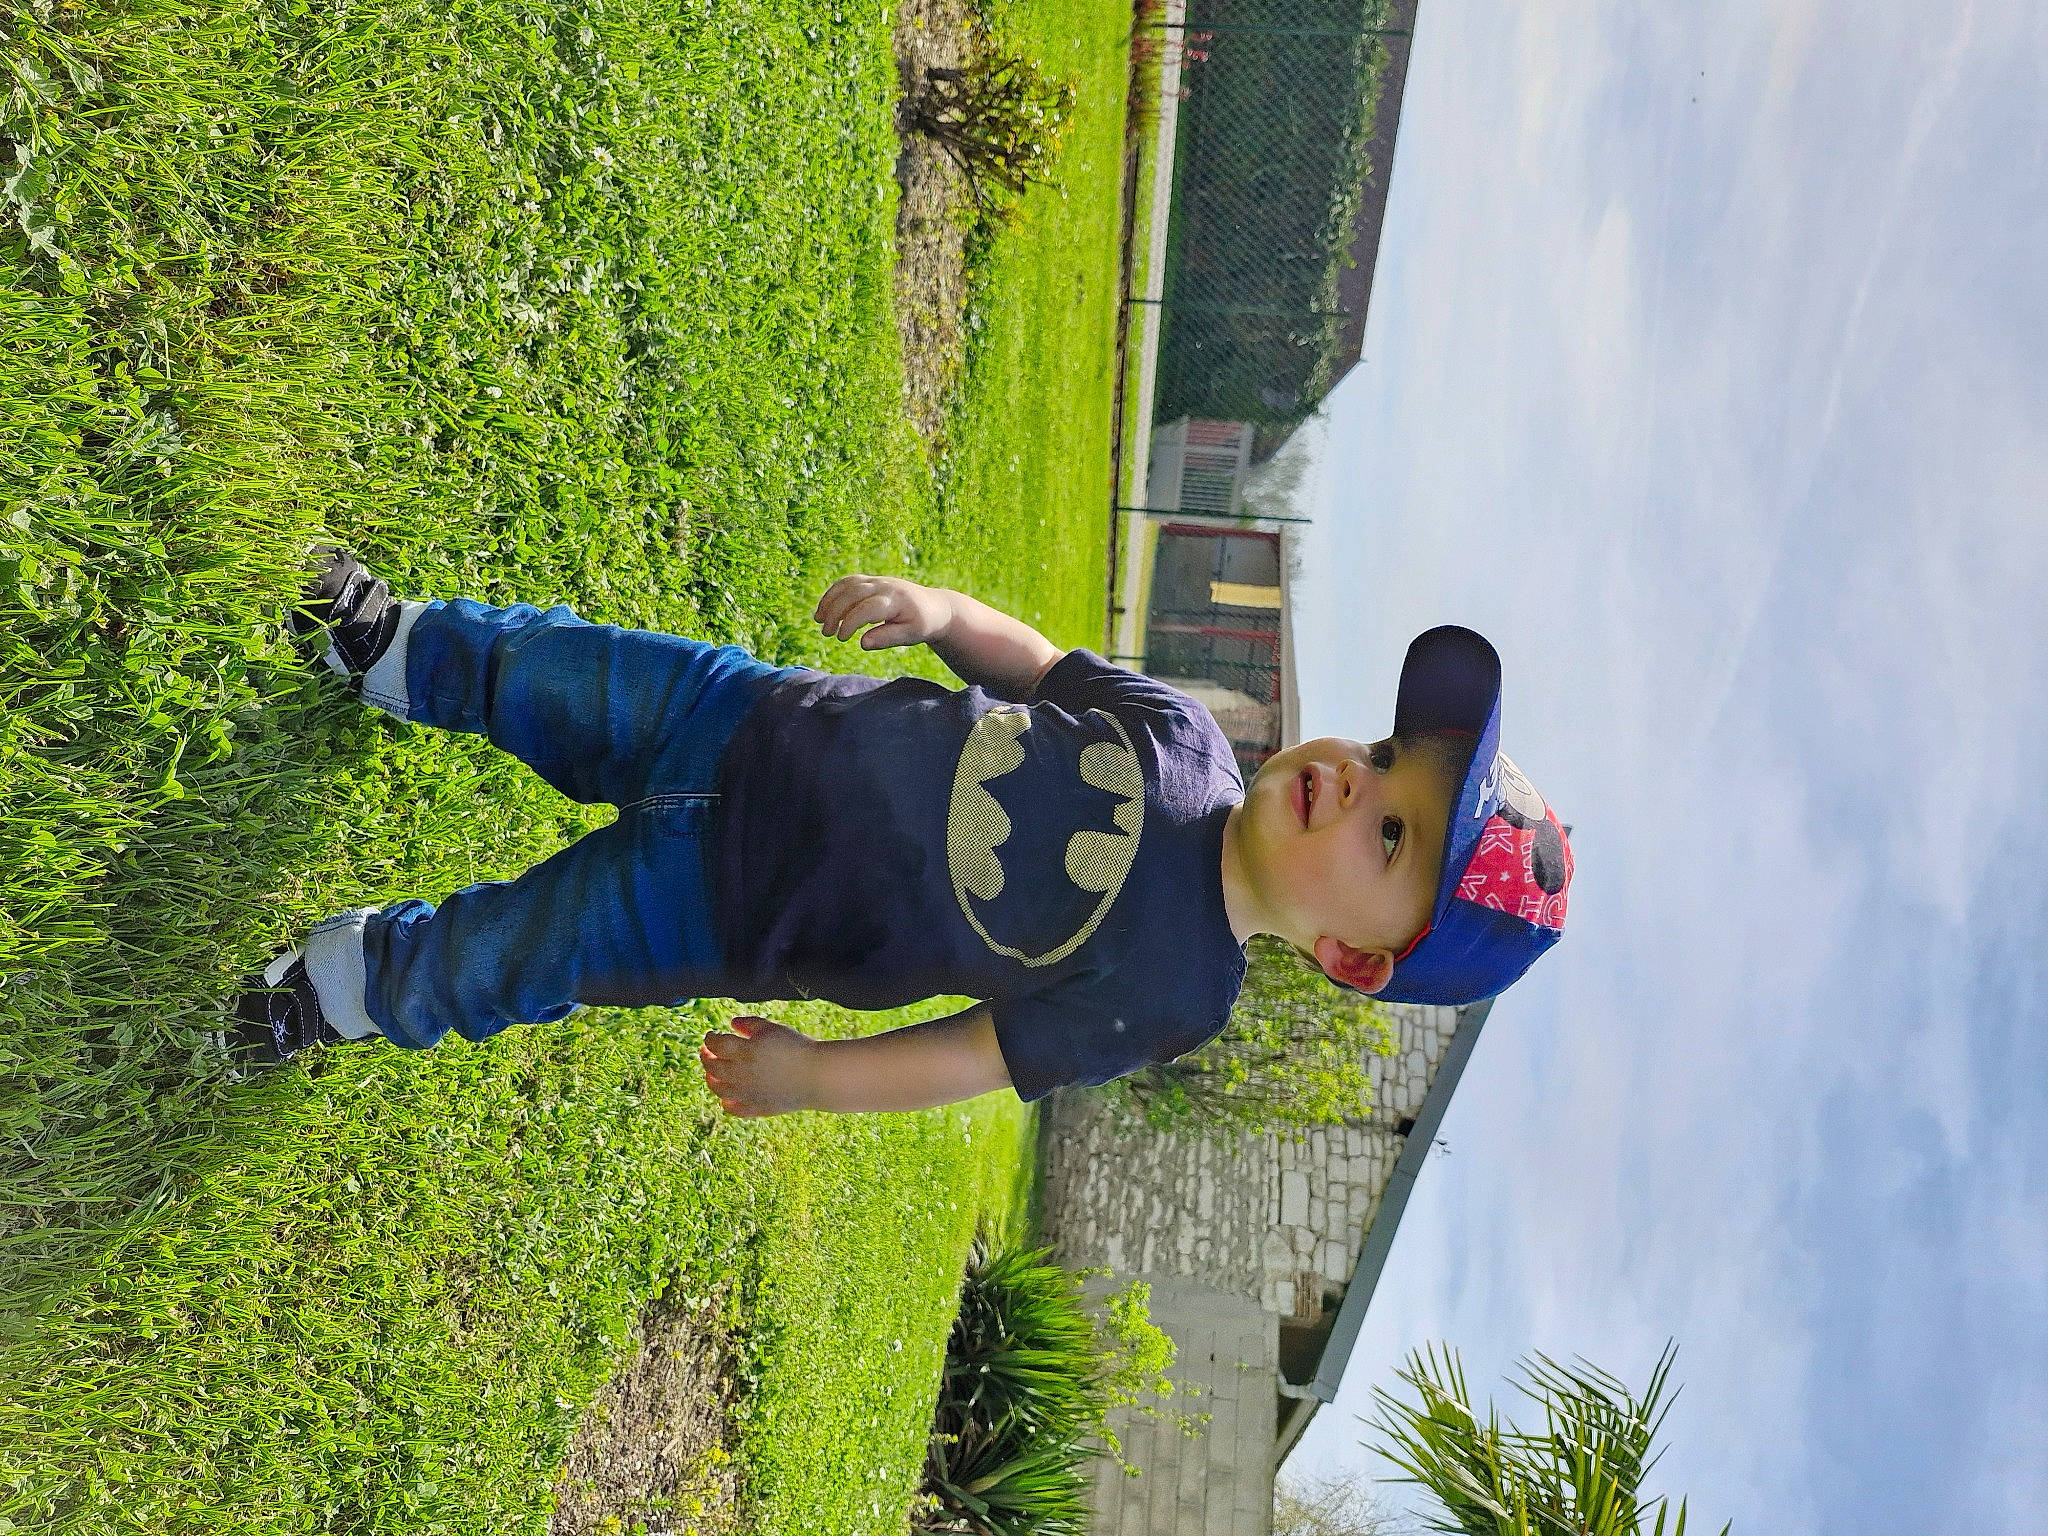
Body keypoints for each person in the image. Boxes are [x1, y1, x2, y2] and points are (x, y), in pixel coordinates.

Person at [227, 549, 1573, 1115]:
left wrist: (819, 1077)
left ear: (1349, 957)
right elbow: (1041, 665)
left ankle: (341, 990)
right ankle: (394, 648)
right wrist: (941, 613)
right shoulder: (1184, 736)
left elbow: (983, 1054)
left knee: (523, 951)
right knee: (558, 671)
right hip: (746, 720)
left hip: (730, 911)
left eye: (1391, 835)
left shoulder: (1180, 989)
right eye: (1388, 756)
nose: (1357, 777)